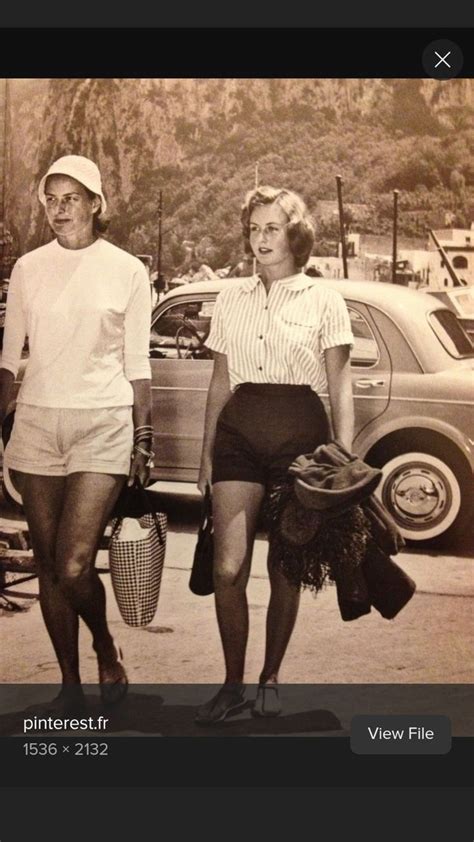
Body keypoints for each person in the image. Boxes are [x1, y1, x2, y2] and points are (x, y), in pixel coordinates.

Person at [195, 185, 354, 723]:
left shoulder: (324, 299)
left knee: (285, 567)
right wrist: (205, 455)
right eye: (254, 227)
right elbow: (219, 383)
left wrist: (344, 458)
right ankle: (232, 682)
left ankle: (269, 677)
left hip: (301, 438)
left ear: (295, 235)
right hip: (239, 431)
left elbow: (340, 385)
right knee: (227, 568)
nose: (260, 238)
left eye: (272, 228)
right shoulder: (230, 297)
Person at [0, 155, 153, 712]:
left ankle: (106, 647)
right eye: (51, 199)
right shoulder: (28, 268)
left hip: (103, 423)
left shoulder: (127, 270)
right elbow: (10, 356)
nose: (59, 210)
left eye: (71, 198)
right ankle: (69, 686)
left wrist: (144, 436)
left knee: (73, 563)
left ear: (95, 204)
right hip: (38, 422)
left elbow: (139, 362)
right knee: (47, 565)